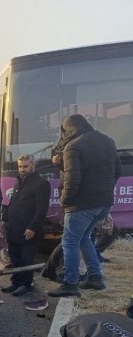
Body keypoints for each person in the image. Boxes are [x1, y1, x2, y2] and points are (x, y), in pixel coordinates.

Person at [47, 114, 122, 297]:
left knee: (70, 241)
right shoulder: (108, 141)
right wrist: (104, 191)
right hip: (104, 203)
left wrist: (65, 201)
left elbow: (73, 179)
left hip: (81, 204)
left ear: (68, 129)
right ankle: (96, 278)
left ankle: (70, 283)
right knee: (84, 238)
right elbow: (118, 171)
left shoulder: (73, 146)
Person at [0, 154, 50, 296]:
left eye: (25, 166)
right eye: (20, 166)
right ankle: (16, 283)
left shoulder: (41, 184)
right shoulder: (18, 183)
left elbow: (41, 210)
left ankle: (26, 284)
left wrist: (32, 227)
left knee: (26, 259)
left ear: (33, 165)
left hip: (28, 230)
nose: (22, 169)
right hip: (14, 229)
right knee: (15, 258)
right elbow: (11, 204)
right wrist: (4, 220)